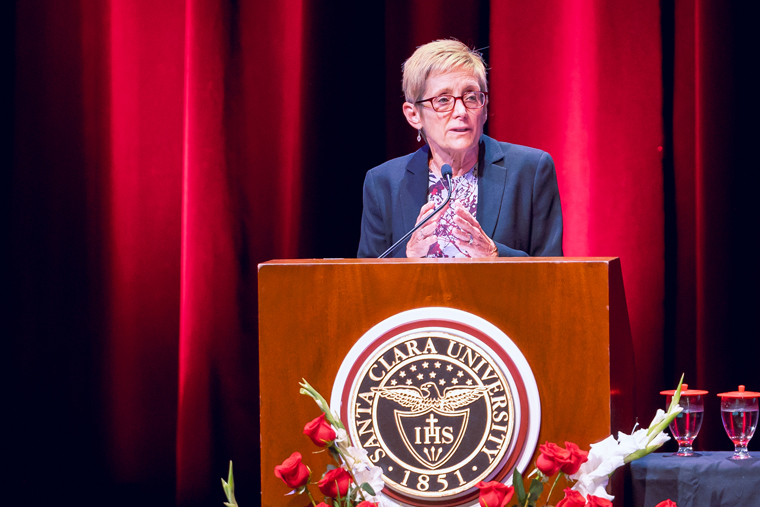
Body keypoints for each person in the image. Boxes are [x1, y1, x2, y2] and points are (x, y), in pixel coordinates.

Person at [357, 39, 563, 258]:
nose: (461, 111)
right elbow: (367, 282)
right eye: (444, 100)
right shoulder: (383, 182)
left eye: (471, 97)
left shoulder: (530, 171)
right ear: (413, 115)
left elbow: (553, 275)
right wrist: (407, 259)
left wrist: (495, 255)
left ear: (484, 109)